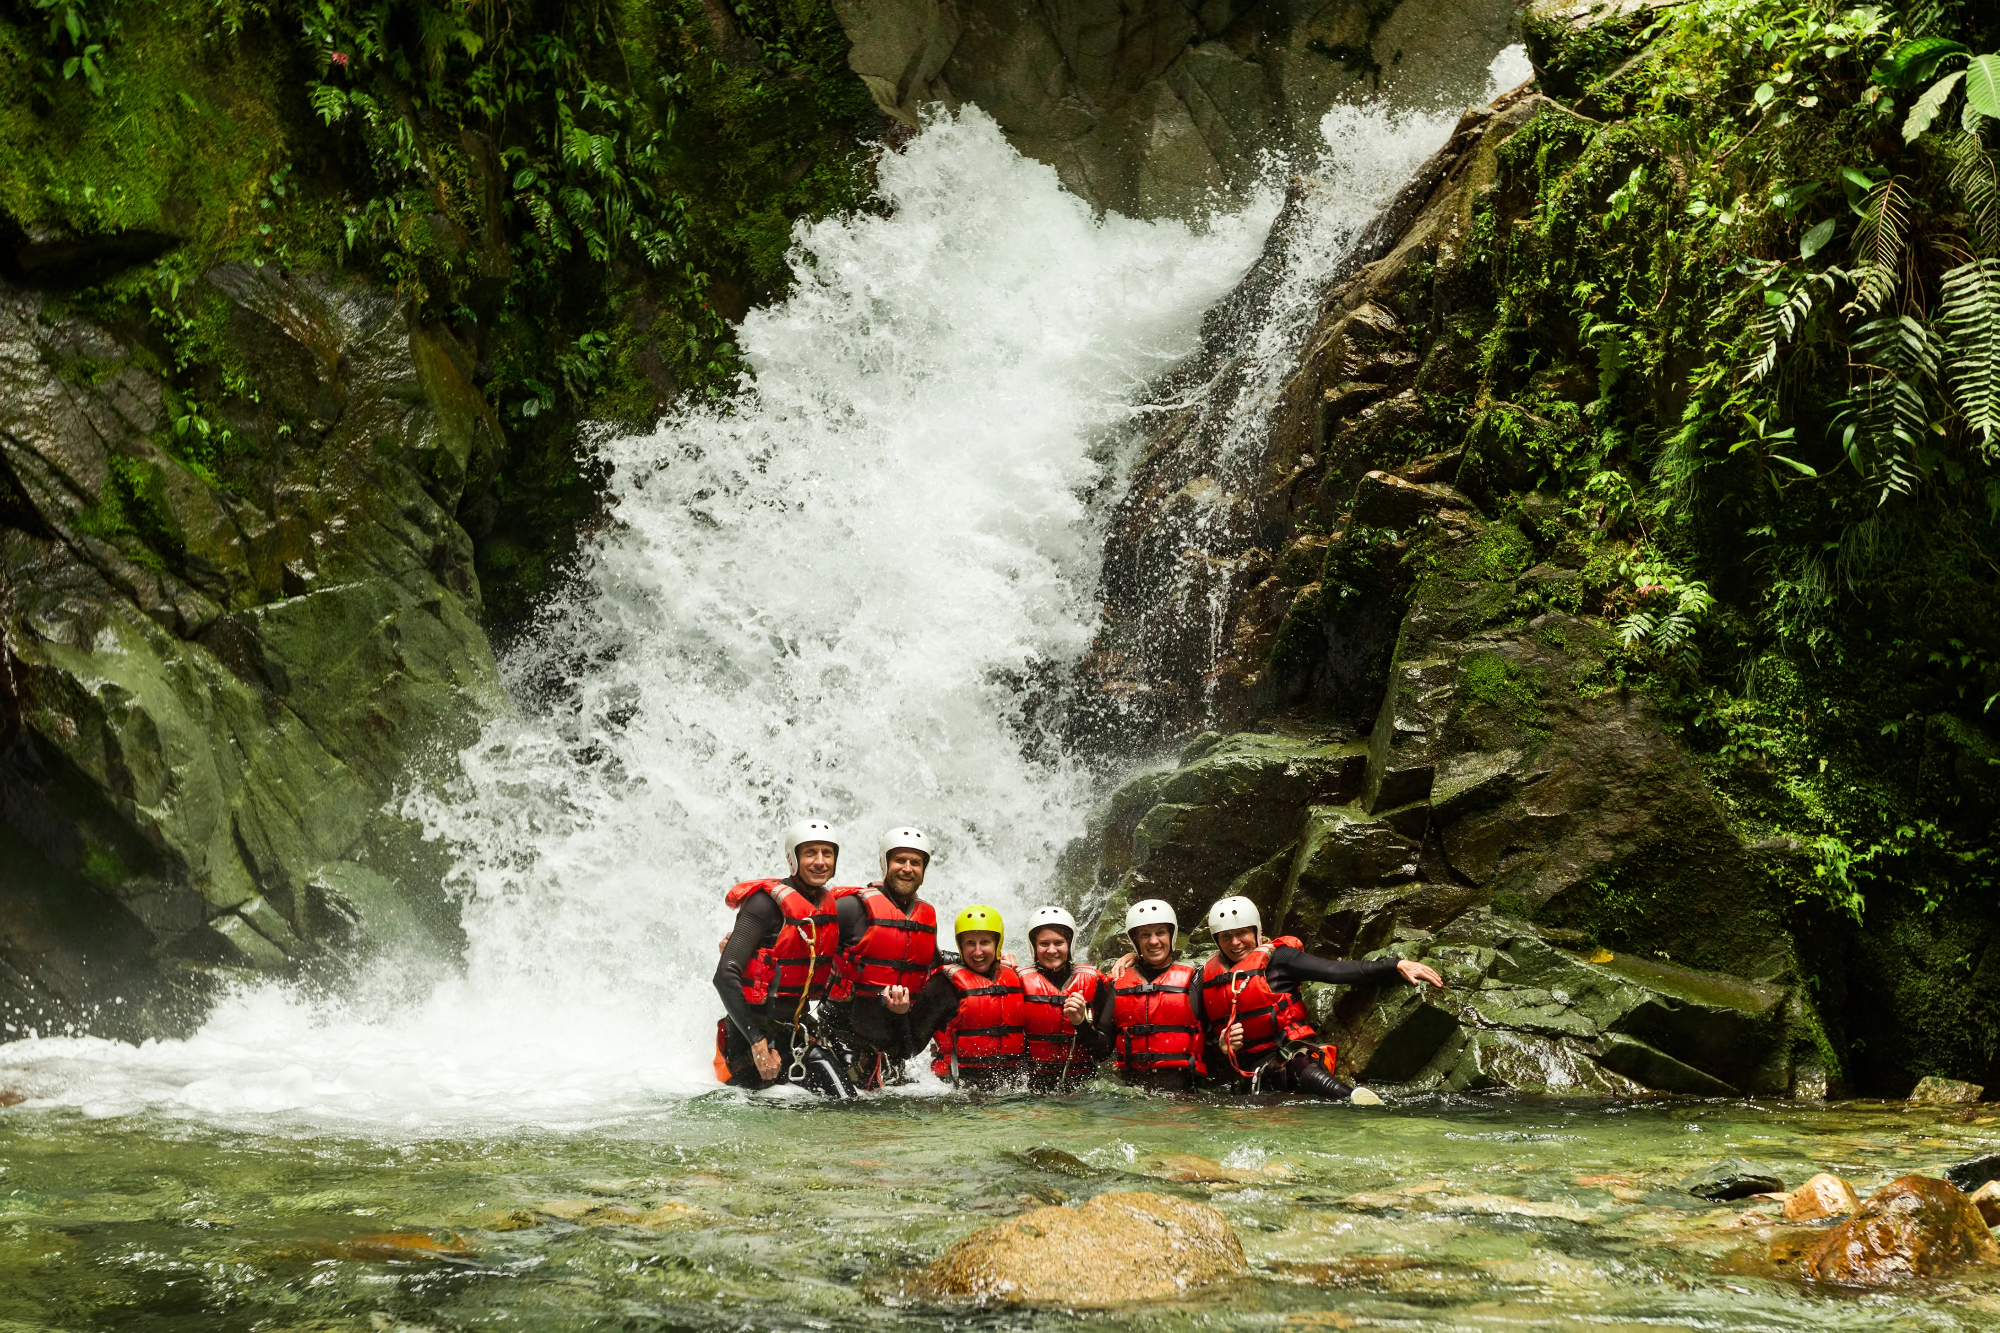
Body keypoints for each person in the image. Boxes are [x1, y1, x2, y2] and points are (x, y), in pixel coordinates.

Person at [1195, 894, 1444, 1100]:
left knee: (1301, 1069)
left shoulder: (1279, 959)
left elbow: (1334, 971)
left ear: (1257, 932)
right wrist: (1222, 1046)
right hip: (1249, 1076)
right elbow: (1200, 1038)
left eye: (1242, 933)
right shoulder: (1206, 979)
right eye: (1226, 936)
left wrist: (1393, 965)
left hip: (1290, 1058)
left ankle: (1354, 1100)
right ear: (1216, 941)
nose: (1235, 942)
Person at [711, 818, 856, 1096]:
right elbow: (725, 975)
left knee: (847, 1103)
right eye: (810, 853)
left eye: (827, 853)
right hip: (747, 1040)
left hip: (792, 1035)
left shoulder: (827, 906)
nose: (820, 861)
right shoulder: (764, 904)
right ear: (794, 858)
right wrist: (758, 1044)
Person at [821, 827, 938, 1088]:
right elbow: (802, 939)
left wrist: (994, 960)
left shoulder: (924, 917)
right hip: (842, 1040)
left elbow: (936, 963)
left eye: (915, 863)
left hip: (891, 1045)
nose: (907, 868)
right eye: (899, 861)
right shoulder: (853, 908)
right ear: (885, 864)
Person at [901, 905, 1026, 1089]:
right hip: (959, 1091)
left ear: (997, 944)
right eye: (970, 943)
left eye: (985, 942)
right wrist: (900, 1014)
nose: (977, 952)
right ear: (960, 945)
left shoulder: (1015, 978)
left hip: (1012, 1089)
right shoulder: (943, 985)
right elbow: (910, 1047)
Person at [1109, 899, 1205, 1092]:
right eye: (1145, 935)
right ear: (1136, 941)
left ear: (1172, 936)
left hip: (1185, 1095)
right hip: (1131, 1096)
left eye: (1160, 932)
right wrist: (1080, 1023)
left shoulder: (1195, 979)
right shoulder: (1118, 981)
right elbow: (1101, 1048)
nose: (1153, 941)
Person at [1019, 905, 1113, 1091]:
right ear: (1033, 947)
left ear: (1071, 944)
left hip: (1083, 1086)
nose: (1052, 950)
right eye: (1044, 944)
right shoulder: (1018, 981)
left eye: (1059, 943)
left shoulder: (1094, 981)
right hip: (1032, 1089)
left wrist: (1081, 1023)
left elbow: (1104, 1052)